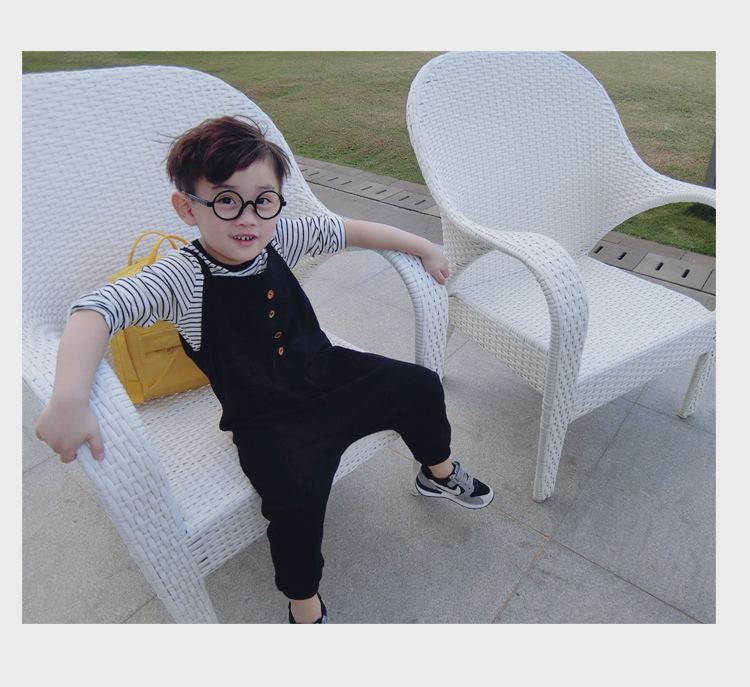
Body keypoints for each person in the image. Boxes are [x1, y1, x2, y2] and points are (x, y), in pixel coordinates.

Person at [34, 115, 493, 624]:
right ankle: (303, 604)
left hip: (326, 372)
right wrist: (69, 398)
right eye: (226, 201)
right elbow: (95, 310)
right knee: (294, 505)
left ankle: (437, 471)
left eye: (264, 200)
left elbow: (350, 229)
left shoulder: (281, 237)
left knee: (421, 387)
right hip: (264, 415)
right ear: (187, 208)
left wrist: (424, 246)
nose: (248, 218)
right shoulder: (182, 276)